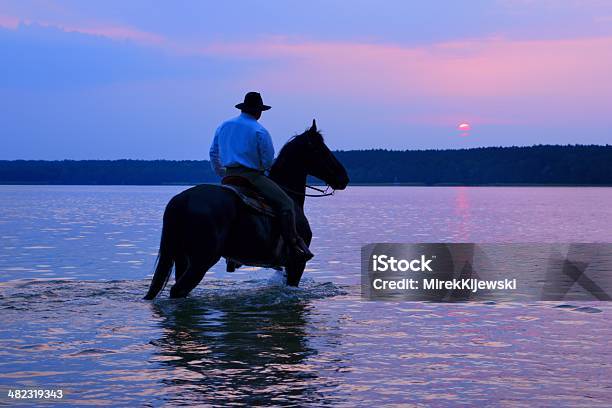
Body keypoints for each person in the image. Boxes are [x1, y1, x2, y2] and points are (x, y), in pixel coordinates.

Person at [209, 91, 314, 262]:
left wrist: (223, 173)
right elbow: (266, 160)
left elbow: (213, 153)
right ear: (258, 111)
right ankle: (292, 245)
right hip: (252, 177)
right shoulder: (259, 130)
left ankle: (231, 256)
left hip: (228, 177)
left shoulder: (223, 126)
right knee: (287, 203)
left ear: (243, 108)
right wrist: (263, 172)